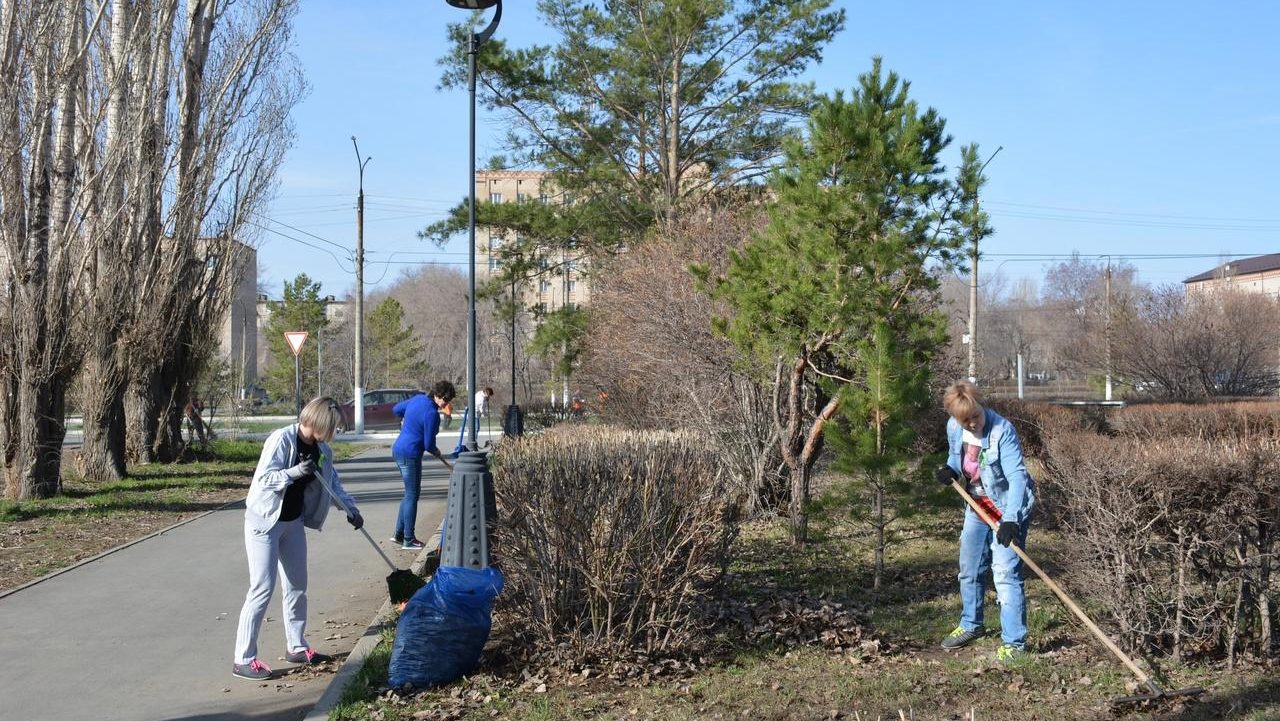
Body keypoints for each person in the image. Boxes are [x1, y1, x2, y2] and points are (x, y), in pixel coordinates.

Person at [232, 397, 363, 681]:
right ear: (317, 422)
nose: (333, 433)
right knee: (262, 588)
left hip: (293, 522)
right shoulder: (281, 440)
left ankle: (297, 646)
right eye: (331, 427)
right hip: (264, 521)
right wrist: (294, 472)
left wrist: (350, 509)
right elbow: (263, 479)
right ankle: (243, 658)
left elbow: (333, 482)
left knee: (297, 585)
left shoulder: (322, 450)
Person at [934, 381, 1036, 663]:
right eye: (964, 420)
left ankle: (1014, 643)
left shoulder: (1003, 431)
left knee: (1005, 575)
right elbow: (956, 461)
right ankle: (971, 624)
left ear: (981, 405)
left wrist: (1011, 520)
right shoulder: (955, 428)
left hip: (1006, 509)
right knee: (969, 569)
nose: (972, 425)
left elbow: (1016, 477)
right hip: (977, 507)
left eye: (975, 416)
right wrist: (950, 472)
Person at [391, 380, 455, 550]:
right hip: (410, 454)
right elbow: (428, 444)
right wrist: (436, 451)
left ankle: (399, 534)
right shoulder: (432, 413)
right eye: (445, 400)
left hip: (398, 449)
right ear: (437, 395)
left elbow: (396, 409)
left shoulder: (418, 399)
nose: (446, 404)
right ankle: (409, 539)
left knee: (408, 493)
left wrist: (410, 419)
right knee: (413, 495)